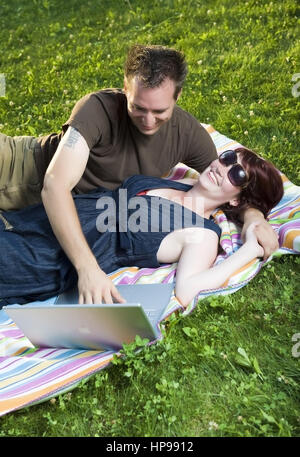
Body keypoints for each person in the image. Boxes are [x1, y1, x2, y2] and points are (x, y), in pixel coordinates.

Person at [0, 44, 279, 304]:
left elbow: (237, 193)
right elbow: (54, 184)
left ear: (177, 96)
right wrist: (87, 268)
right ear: (125, 89)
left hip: (45, 237)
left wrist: (253, 225)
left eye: (159, 111)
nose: (148, 121)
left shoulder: (186, 138)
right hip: (23, 169)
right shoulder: (99, 108)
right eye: (138, 107)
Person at [0, 148, 283, 308]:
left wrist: (248, 250)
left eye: (237, 173)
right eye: (228, 157)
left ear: (236, 199)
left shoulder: (202, 235)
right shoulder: (180, 181)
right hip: (34, 218)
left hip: (42, 258)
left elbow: (187, 290)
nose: (224, 167)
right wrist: (252, 215)